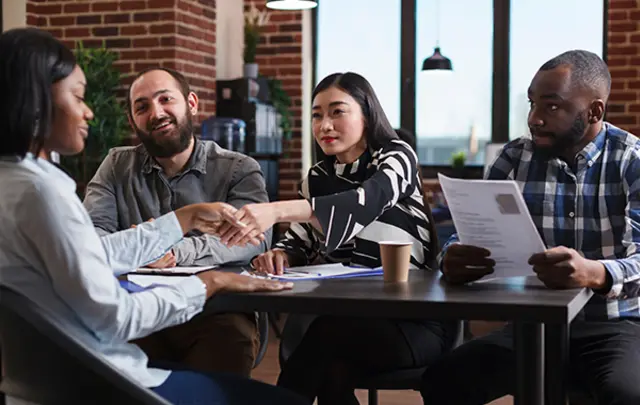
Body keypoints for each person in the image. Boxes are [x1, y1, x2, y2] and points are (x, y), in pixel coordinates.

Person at [0, 27, 305, 405]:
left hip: (45, 381)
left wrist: (181, 221)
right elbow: (114, 314)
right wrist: (209, 282)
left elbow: (90, 254)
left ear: (191, 103)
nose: (89, 110)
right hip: (101, 381)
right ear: (36, 102)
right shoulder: (43, 191)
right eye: (78, 96)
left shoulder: (13, 184)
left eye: (166, 100)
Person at [214, 72, 458, 404]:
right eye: (317, 115)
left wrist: (275, 210)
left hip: (412, 322)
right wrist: (281, 255)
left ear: (367, 116)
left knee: (324, 340)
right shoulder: (317, 178)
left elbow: (365, 201)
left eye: (337, 112)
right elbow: (298, 241)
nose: (325, 125)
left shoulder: (396, 156)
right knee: (330, 367)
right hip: (346, 318)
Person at [419, 50, 640, 405]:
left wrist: (595, 273)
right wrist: (453, 256)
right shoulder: (512, 158)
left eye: (551, 107)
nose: (534, 119)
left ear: (594, 111)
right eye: (532, 104)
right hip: (531, 326)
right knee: (444, 380)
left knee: (628, 394)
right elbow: (467, 234)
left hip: (616, 326)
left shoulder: (632, 161)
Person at [82, 67, 270, 376]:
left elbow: (254, 240)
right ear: (132, 120)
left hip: (215, 312)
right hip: (138, 310)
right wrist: (143, 247)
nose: (156, 113)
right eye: (142, 107)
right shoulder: (116, 166)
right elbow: (91, 240)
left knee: (227, 340)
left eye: (165, 99)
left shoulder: (238, 168)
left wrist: (171, 252)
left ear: (192, 103)